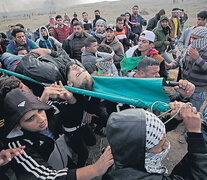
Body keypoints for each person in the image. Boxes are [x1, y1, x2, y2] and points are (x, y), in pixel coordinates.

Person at [0, 88, 114, 180]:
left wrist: (71, 99)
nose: (41, 119)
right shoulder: (17, 146)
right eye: (30, 119)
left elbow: (75, 117)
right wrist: (95, 169)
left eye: (39, 110)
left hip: (66, 161)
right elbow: (47, 176)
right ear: (17, 125)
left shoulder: (50, 110)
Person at [102, 104, 207, 180]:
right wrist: (195, 136)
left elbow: (150, 133)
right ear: (142, 151)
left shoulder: (123, 149)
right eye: (161, 144)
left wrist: (175, 119)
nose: (166, 145)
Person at [168, 26, 207, 111]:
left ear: (204, 39)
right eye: (191, 37)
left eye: (195, 38)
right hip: (184, 86)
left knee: (191, 111)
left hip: (198, 90)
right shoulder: (189, 47)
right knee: (179, 109)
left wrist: (198, 59)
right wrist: (170, 65)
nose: (192, 40)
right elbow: (179, 58)